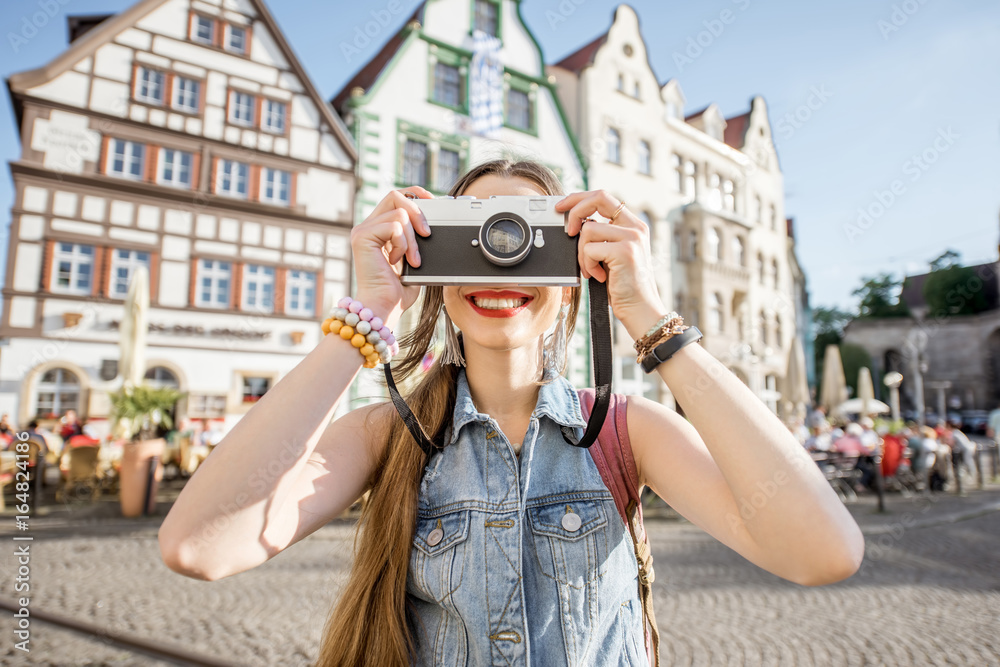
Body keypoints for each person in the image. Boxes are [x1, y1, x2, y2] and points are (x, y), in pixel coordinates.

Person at [157, 160, 865, 666]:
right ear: (430, 262)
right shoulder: (388, 435)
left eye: (527, 237)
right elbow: (199, 546)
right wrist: (368, 312)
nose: (499, 262)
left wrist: (648, 313)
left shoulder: (627, 430)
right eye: (473, 235)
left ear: (571, 273)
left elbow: (822, 551)